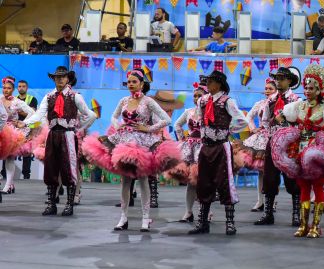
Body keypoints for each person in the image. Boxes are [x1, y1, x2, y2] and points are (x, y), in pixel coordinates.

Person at [82, 69, 180, 232]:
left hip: (142, 143)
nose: (131, 85)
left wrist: (147, 128)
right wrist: (117, 126)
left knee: (143, 180)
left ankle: (145, 217)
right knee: (125, 181)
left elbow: (167, 119)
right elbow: (114, 116)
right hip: (124, 142)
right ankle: (123, 217)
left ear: (141, 84)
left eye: (134, 82)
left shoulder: (148, 101)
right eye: (128, 82)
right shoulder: (123, 100)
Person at [271, 65, 324, 238]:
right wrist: (288, 129)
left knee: (318, 185)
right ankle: (303, 225)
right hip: (300, 150)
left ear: (319, 88)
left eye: (312, 88)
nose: (308, 91)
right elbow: (279, 116)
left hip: (318, 152)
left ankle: (315, 226)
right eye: (306, 87)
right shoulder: (298, 106)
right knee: (303, 187)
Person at [22, 66, 96, 216]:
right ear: (53, 79)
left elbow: (91, 115)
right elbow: (38, 115)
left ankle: (69, 204)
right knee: (51, 167)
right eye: (57, 77)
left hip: (68, 135)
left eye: (63, 77)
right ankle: (52, 203)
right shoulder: (49, 96)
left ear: (68, 79)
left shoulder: (75, 96)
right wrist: (25, 124)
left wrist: (79, 129)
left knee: (69, 168)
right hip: (52, 135)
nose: (60, 79)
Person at [188, 71, 248, 236]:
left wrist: (228, 130)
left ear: (219, 84)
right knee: (204, 182)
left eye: (211, 81)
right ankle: (203, 222)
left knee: (225, 182)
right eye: (207, 81)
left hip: (221, 147)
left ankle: (230, 223)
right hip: (205, 147)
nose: (208, 84)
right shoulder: (202, 100)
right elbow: (199, 120)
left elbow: (243, 121)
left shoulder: (227, 101)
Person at [254, 67, 302, 227]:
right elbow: (266, 121)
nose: (279, 81)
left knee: (292, 178)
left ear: (289, 81)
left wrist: (287, 124)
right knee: (269, 177)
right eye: (277, 78)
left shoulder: (296, 100)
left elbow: (301, 121)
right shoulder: (270, 101)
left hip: (290, 143)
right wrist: (273, 128)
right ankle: (268, 213)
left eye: (282, 78)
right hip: (273, 141)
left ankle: (296, 214)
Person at [167, 83, 208, 223]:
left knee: (205, 181)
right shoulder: (189, 111)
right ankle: (188, 212)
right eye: (195, 96)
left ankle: (206, 212)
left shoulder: (210, 111)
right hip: (190, 148)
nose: (196, 98)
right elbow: (177, 124)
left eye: (199, 95)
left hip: (205, 148)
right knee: (191, 182)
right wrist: (182, 139)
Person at [234, 78, 277, 212]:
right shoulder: (260, 103)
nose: (267, 91)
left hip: (275, 138)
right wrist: (253, 128)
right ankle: (260, 201)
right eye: (266, 88)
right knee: (261, 173)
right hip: (261, 139)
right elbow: (248, 118)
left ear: (276, 90)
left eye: (270, 88)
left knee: (272, 173)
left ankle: (273, 202)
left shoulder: (278, 103)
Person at [1, 76, 33, 194]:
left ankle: (7, 186)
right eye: (4, 88)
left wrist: (23, 123)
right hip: (0, 130)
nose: (6, 90)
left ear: (13, 89)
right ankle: (10, 185)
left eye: (9, 88)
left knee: (9, 158)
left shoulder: (17, 102)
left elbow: (32, 112)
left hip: (10, 134)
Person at [17, 80, 38, 180]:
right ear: (17, 88)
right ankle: (4, 174)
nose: (21, 88)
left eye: (23, 86)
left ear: (27, 88)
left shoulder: (32, 99)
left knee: (27, 152)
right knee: (9, 152)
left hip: (28, 128)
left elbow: (33, 115)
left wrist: (19, 111)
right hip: (15, 130)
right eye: (19, 86)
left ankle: (26, 175)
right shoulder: (14, 99)